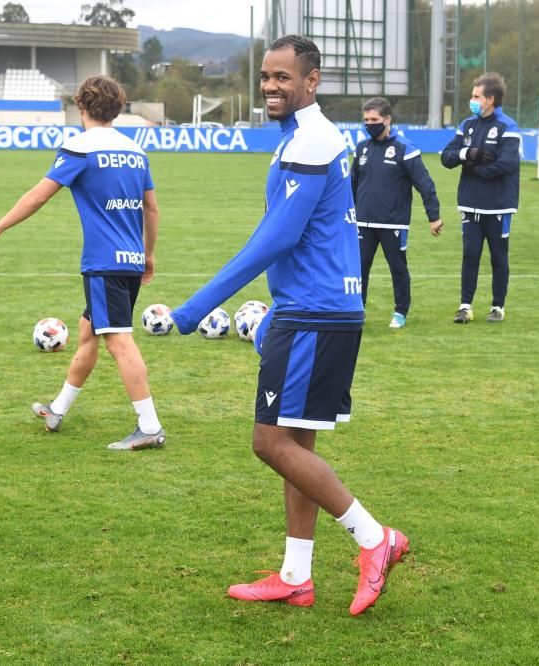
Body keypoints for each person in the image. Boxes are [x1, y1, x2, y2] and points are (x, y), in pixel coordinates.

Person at [170, 35, 409, 617]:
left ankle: (376, 538)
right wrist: (275, 305)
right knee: (296, 442)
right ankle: (296, 577)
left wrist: (197, 304)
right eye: (266, 76)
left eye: (283, 76)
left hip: (316, 314)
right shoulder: (303, 139)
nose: (271, 86)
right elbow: (310, 233)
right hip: (311, 308)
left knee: (270, 442)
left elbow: (280, 235)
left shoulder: (314, 138)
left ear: (312, 80)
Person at [0, 75, 164, 451]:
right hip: (128, 259)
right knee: (87, 332)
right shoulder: (135, 152)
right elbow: (152, 207)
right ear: (117, 109)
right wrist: (148, 254)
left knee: (119, 342)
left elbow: (38, 196)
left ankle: (149, 425)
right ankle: (57, 409)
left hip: (104, 262)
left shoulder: (79, 148)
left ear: (82, 108)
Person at [352, 97, 443, 329]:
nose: (369, 124)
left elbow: (425, 183)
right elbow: (351, 186)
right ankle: (356, 311)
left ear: (387, 119)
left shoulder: (405, 148)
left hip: (394, 223)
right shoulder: (362, 148)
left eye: (374, 119)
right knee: (359, 268)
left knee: (398, 268)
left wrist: (433, 216)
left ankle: (400, 312)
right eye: (366, 120)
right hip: (363, 222)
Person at [440, 72, 521, 323]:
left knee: (498, 256)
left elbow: (506, 164)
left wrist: (474, 168)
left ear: (491, 99)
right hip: (469, 203)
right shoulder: (467, 125)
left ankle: (498, 306)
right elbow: (447, 157)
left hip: (498, 205)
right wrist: (467, 153)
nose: (472, 100)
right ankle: (465, 306)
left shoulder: (508, 127)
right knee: (470, 255)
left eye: (476, 96)